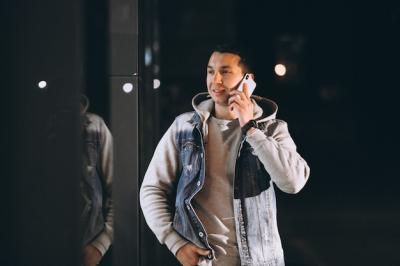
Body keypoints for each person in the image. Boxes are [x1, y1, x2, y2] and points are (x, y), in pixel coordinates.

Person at [140, 44, 310, 266]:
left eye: (225, 72)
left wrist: (250, 128)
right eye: (211, 71)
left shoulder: (271, 129)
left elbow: (293, 183)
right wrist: (175, 243)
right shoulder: (184, 127)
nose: (215, 80)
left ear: (248, 79)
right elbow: (152, 189)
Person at [80, 95, 114, 266]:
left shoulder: (95, 127)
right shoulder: (30, 123)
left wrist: (99, 246)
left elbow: (118, 192)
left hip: (87, 244)